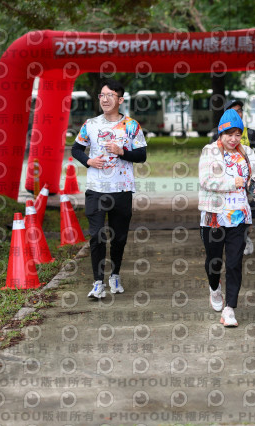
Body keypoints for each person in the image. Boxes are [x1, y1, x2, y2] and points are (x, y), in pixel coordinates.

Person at [71, 79, 147, 299]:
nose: (104, 99)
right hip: (96, 189)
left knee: (119, 238)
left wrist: (122, 151)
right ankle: (97, 282)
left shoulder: (131, 125)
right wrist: (88, 161)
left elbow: (141, 155)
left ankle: (114, 275)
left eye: (110, 95)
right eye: (102, 95)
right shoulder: (91, 124)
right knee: (96, 236)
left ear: (120, 100)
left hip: (122, 189)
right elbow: (76, 149)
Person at [199, 109, 255, 327]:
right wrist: (232, 183)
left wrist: (253, 186)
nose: (233, 139)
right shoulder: (209, 151)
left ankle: (230, 309)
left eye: (237, 135)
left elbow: (251, 177)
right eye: (229, 134)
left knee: (234, 263)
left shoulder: (247, 152)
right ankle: (215, 288)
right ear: (221, 133)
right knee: (214, 261)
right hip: (214, 216)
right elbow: (205, 180)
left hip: (239, 217)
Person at [211, 99, 255, 255]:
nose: (238, 113)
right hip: (226, 184)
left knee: (247, 214)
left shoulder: (250, 133)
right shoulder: (218, 135)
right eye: (233, 110)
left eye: (240, 110)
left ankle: (244, 238)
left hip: (245, 184)